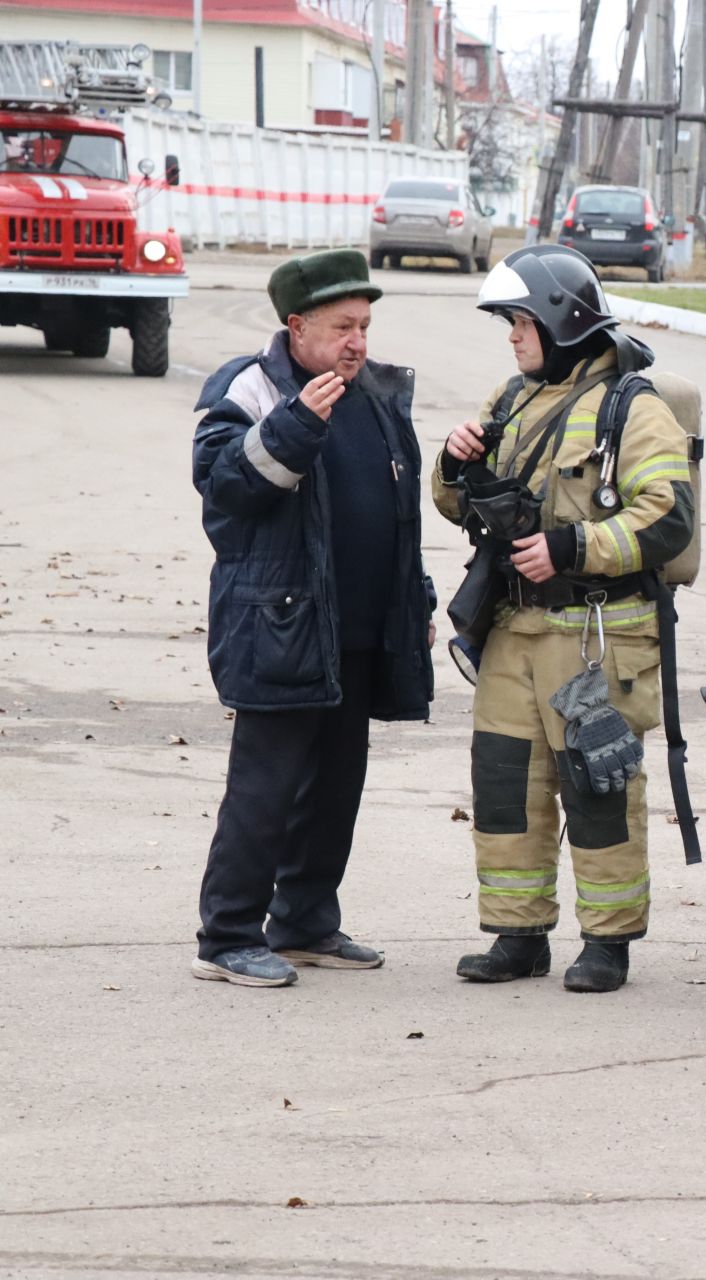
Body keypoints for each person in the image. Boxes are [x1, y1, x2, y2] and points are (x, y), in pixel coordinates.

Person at [432, 245, 694, 994]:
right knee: (504, 783)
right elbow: (456, 503)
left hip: (595, 636)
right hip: (512, 632)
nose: (512, 337)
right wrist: (455, 465)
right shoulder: (510, 399)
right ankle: (518, 935)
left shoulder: (632, 408)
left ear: (558, 320)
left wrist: (573, 546)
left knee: (598, 787)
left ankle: (608, 943)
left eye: (520, 322)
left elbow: (669, 519)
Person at [188, 247, 435, 987]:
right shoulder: (253, 389)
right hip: (281, 622)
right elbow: (225, 484)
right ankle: (227, 936)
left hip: (358, 628)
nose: (358, 342)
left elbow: (396, 516)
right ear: (297, 327)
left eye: (364, 326)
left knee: (336, 785)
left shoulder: (374, 397)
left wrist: (414, 598)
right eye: (341, 327)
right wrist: (295, 423)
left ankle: (304, 922)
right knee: (266, 787)